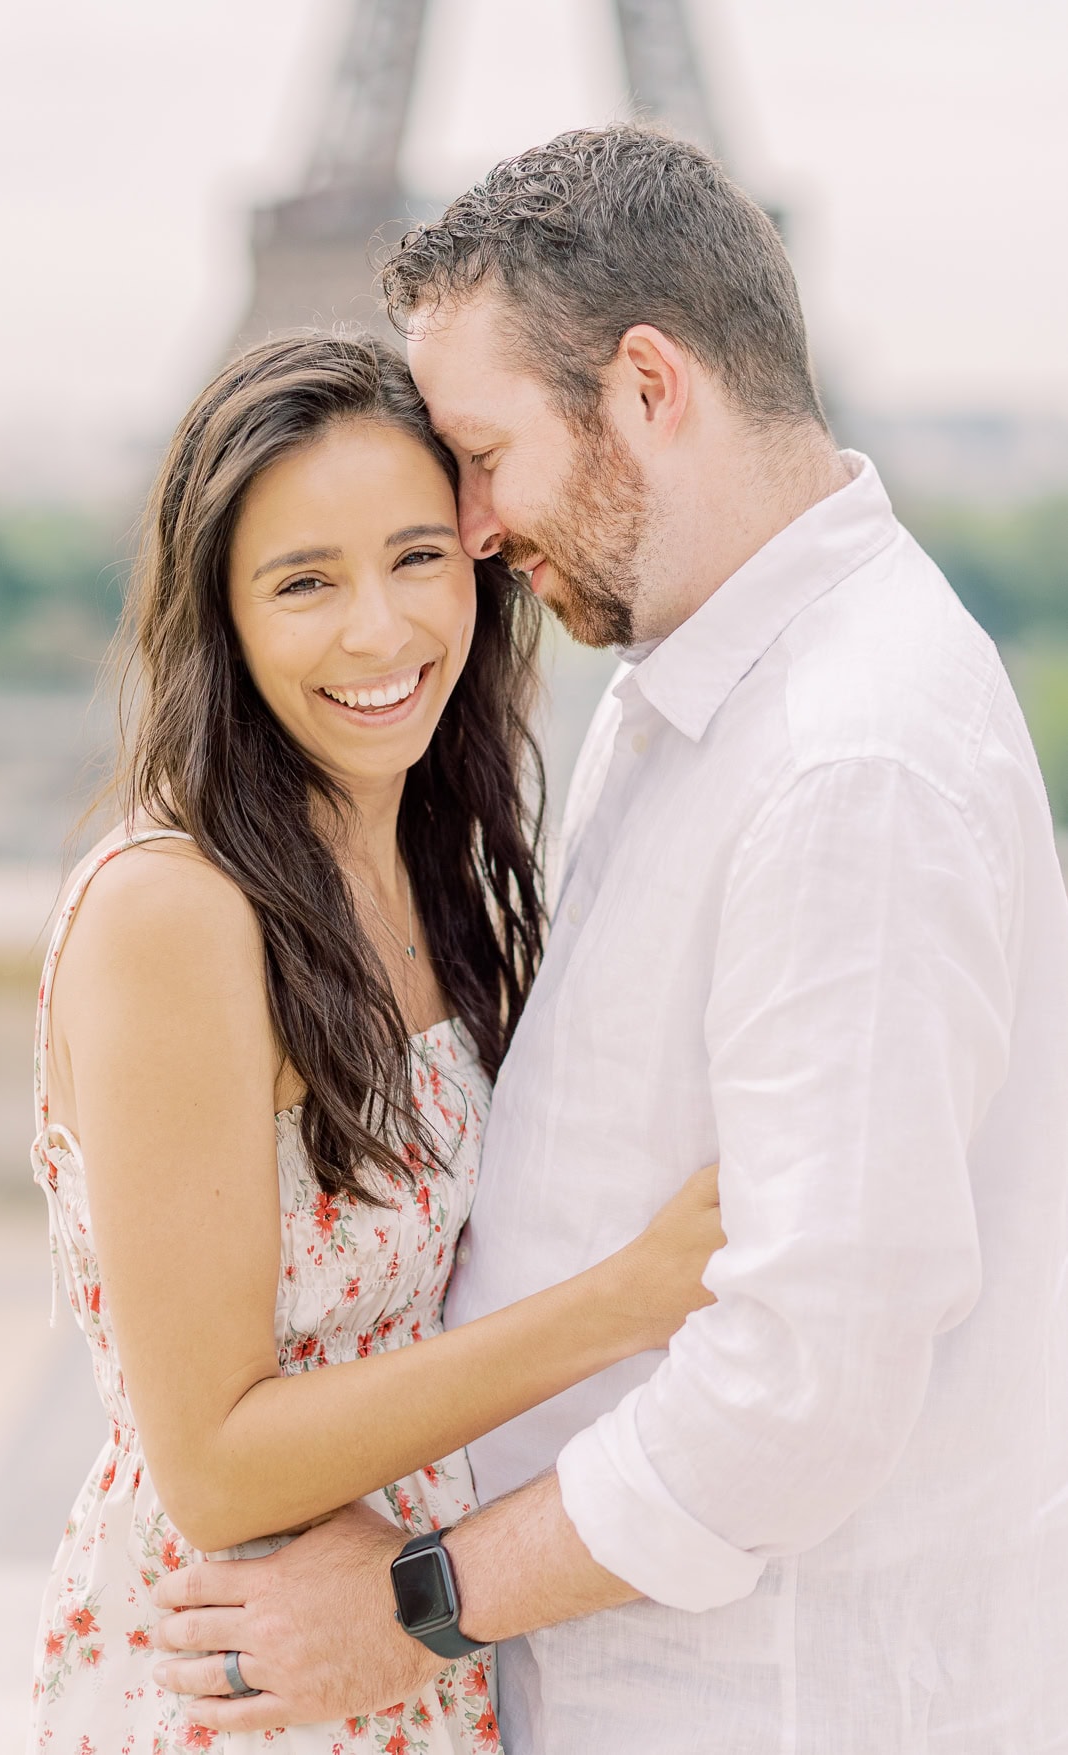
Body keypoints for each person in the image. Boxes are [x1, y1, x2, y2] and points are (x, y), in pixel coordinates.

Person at [153, 128, 1068, 1753]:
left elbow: (805, 1383)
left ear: (647, 386)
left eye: (485, 457)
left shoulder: (842, 762)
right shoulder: (704, 697)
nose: (476, 526)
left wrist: (420, 1602)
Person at [26, 331, 725, 1754]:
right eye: (303, 583)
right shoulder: (175, 910)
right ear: (219, 617)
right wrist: (633, 1293)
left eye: (416, 557)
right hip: (246, 1679)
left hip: (403, 1635)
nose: (378, 632)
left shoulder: (424, 856)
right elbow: (213, 1464)